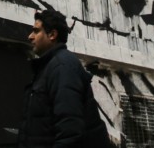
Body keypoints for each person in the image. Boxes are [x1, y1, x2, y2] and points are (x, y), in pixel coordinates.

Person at [18, 9, 108, 147]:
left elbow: (70, 130)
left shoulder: (62, 66)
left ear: (52, 35)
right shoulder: (48, 67)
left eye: (36, 31)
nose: (30, 36)